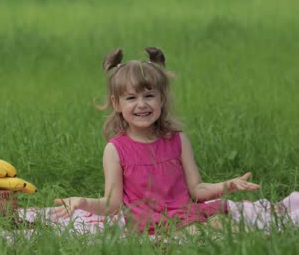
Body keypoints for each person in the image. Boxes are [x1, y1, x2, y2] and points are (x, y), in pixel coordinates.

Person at [52, 47, 263, 234]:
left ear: (161, 99)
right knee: (197, 234)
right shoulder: (115, 150)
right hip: (152, 221)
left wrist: (229, 185)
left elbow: (197, 190)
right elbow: (112, 204)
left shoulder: (178, 140)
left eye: (149, 96)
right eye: (131, 98)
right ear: (117, 104)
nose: (142, 104)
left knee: (228, 225)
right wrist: (81, 202)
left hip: (185, 211)